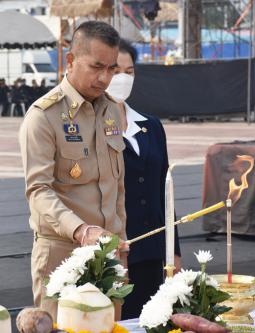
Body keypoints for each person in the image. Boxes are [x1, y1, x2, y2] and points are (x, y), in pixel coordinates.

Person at [19, 21, 128, 321]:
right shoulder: (44, 116)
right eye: (96, 67)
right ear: (70, 60)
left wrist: (121, 241)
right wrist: (81, 230)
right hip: (63, 255)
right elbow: (38, 191)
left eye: (111, 68)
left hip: (108, 256)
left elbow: (116, 186)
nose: (104, 78)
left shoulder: (113, 110)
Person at [105, 39, 182, 320]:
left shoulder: (151, 126)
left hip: (152, 252)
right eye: (115, 71)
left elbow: (166, 190)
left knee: (153, 320)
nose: (123, 79)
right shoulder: (89, 128)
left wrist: (173, 250)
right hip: (114, 254)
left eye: (130, 71)